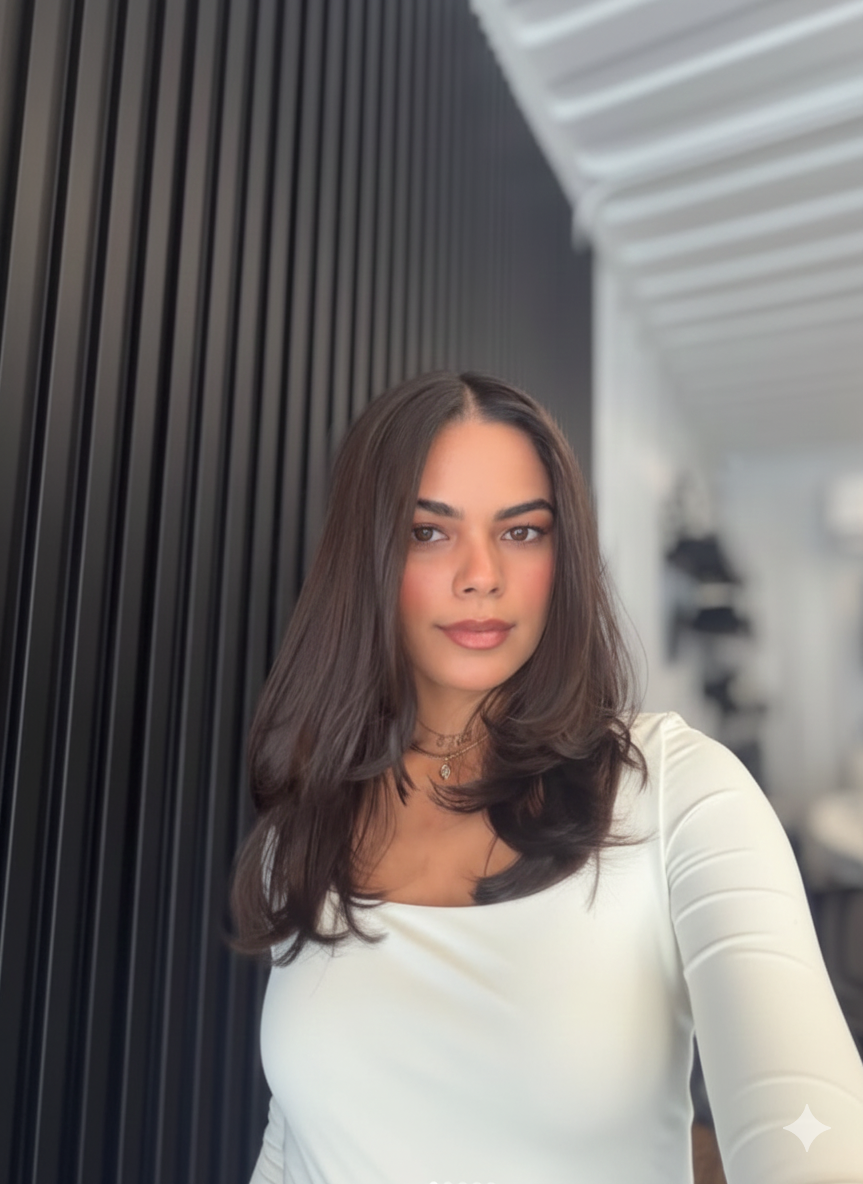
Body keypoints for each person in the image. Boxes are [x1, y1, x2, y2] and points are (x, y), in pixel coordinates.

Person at [231, 372, 863, 1184]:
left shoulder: (679, 792)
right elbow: (297, 1136)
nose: (481, 574)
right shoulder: (306, 827)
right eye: (430, 532)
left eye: (522, 532)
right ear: (369, 557)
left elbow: (808, 1135)